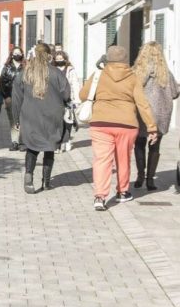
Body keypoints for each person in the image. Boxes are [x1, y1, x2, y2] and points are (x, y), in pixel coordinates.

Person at [80, 46, 159, 210]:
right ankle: (122, 192)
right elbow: (142, 104)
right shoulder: (133, 77)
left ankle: (100, 197)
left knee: (101, 160)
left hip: (101, 122)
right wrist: (151, 127)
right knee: (123, 158)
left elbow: (83, 95)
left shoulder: (98, 75)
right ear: (125, 60)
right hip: (127, 124)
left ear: (107, 59)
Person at [13, 44, 71, 194]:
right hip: (52, 116)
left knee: (32, 148)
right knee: (49, 148)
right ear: (48, 55)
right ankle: (46, 182)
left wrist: (16, 119)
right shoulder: (56, 73)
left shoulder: (25, 73)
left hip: (30, 116)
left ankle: (28, 176)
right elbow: (66, 94)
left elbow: (17, 98)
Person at [131, 42, 179, 190]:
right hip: (160, 115)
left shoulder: (136, 72)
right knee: (155, 146)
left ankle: (140, 176)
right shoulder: (165, 72)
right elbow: (174, 93)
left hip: (141, 113)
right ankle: (150, 179)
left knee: (139, 144)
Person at [53, 51, 80, 153]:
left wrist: (76, 100)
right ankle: (58, 144)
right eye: (57, 59)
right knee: (57, 122)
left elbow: (75, 84)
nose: (59, 60)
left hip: (68, 99)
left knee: (67, 121)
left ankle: (66, 140)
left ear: (65, 59)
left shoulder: (70, 70)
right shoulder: (52, 69)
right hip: (55, 100)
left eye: (61, 59)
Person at [1, 47, 25, 151]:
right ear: (12, 54)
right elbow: (2, 83)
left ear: (22, 54)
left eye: (19, 53)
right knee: (13, 121)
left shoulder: (26, 67)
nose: (17, 55)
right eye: (15, 53)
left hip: (24, 98)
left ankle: (23, 142)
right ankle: (15, 141)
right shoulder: (7, 67)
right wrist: (6, 97)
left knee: (24, 120)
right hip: (10, 97)